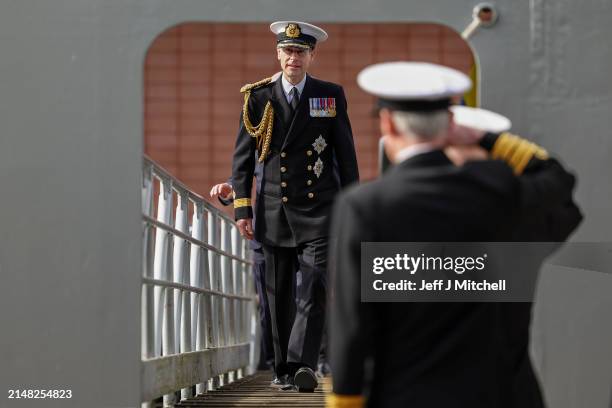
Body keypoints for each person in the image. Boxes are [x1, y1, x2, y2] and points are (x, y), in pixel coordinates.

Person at [327, 62, 582, 407]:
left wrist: (345, 399)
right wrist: (492, 142)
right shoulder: (499, 198)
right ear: (450, 128)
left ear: (387, 123)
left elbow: (351, 324)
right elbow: (557, 180)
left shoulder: (364, 205)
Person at [231, 21, 359, 392]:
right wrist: (243, 209)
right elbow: (242, 159)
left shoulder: (329, 95)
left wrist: (353, 209)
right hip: (273, 210)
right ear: (278, 55)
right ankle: (283, 369)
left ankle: (303, 364)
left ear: (311, 55)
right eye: (287, 51)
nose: (293, 58)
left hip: (320, 209)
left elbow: (346, 156)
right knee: (277, 293)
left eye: (300, 52)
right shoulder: (258, 97)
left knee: (315, 285)